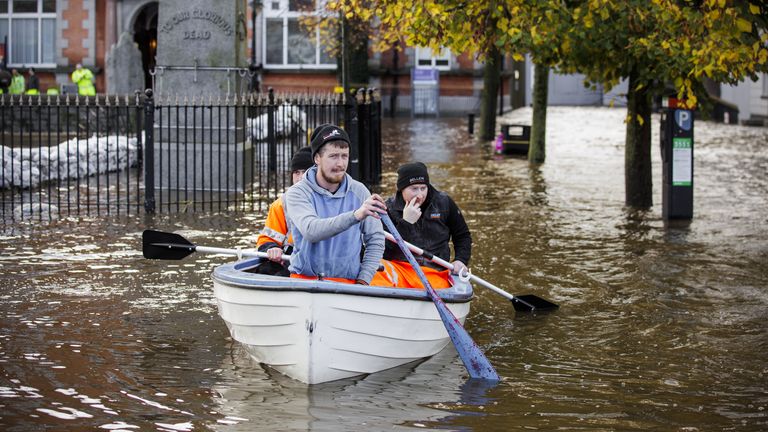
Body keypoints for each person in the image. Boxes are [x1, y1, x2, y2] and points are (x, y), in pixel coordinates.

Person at [283, 123, 391, 286]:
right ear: (317, 158)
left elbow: (375, 239)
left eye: (344, 156)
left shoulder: (360, 191)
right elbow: (311, 231)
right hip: (305, 282)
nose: (340, 163)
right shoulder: (297, 193)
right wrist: (355, 215)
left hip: (348, 283)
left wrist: (363, 281)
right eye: (333, 156)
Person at [383, 162, 472, 288]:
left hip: (437, 271)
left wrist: (460, 260)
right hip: (401, 271)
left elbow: (462, 236)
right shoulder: (388, 210)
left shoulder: (444, 203)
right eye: (414, 189)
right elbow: (383, 252)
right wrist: (406, 223)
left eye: (423, 188)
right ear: (401, 189)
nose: (420, 195)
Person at [254, 146, 314, 276]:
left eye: (305, 172)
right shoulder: (280, 205)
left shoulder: (332, 201)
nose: (300, 178)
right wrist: (272, 248)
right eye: (296, 172)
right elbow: (266, 239)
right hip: (292, 259)